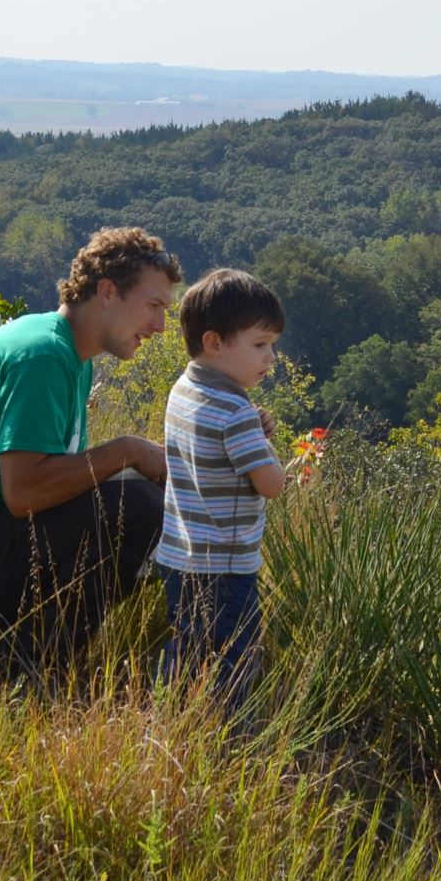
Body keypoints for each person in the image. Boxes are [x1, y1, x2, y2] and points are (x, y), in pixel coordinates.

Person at [0, 227, 183, 684]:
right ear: (107, 292)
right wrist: (127, 451)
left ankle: (38, 658)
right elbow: (25, 492)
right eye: (154, 307)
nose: (160, 327)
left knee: (144, 502)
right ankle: (27, 665)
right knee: (139, 511)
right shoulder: (43, 355)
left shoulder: (70, 354)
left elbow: (62, 482)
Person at [152, 268, 290, 712]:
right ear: (214, 342)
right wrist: (269, 450)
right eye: (259, 345)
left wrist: (254, 430)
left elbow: (215, 448)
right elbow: (270, 485)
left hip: (179, 556)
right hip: (227, 566)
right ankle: (221, 736)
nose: (271, 357)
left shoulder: (183, 389)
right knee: (233, 656)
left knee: (189, 646)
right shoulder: (236, 411)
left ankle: (166, 717)